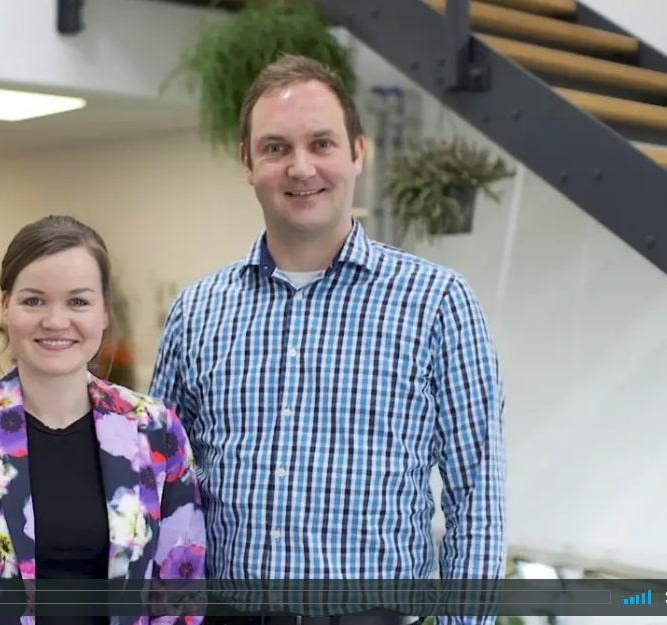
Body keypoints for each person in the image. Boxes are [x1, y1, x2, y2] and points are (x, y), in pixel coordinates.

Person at [150, 55, 505, 625]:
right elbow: (160, 488)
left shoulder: (438, 303)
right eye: (275, 148)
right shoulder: (197, 312)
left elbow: (476, 499)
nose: (300, 167)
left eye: (321, 143)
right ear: (247, 162)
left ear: (358, 152)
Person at [0, 215, 206, 625]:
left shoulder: (156, 431)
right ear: (5, 306)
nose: (56, 322)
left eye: (78, 301)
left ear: (105, 312)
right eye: (34, 300)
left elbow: (181, 596)